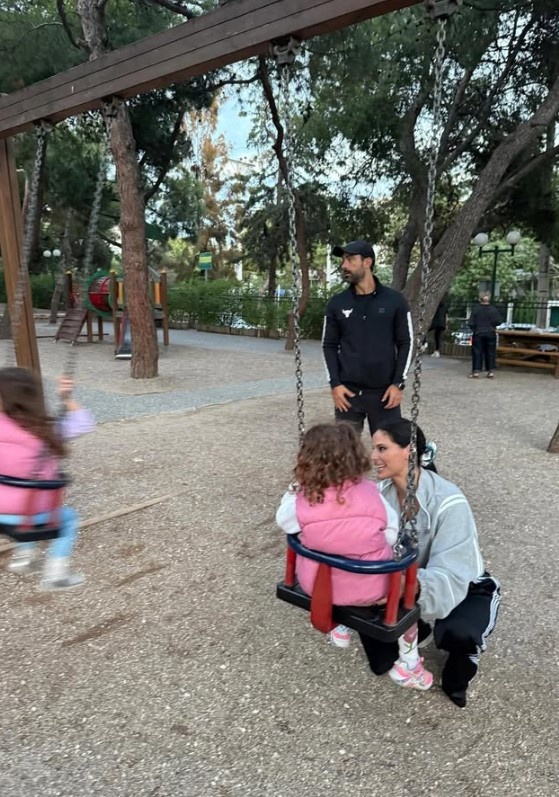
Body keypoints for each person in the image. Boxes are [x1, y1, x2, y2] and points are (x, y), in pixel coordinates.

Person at [276, 422, 433, 691]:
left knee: (326, 556)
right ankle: (408, 665)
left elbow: (284, 522)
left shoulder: (303, 499)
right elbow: (391, 534)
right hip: (371, 590)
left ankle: (341, 625)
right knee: (405, 606)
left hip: (320, 587)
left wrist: (293, 491)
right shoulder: (371, 492)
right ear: (355, 457)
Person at [367, 419, 500, 707]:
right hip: (404, 582)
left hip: (464, 583)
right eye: (373, 448)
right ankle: (419, 629)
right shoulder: (378, 494)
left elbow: (452, 571)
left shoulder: (449, 500)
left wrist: (410, 586)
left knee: (459, 634)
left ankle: (458, 675)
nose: (373, 457)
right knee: (380, 659)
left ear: (409, 451)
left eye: (382, 448)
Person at [0, 368, 95, 589]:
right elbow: (85, 423)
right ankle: (56, 576)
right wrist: (66, 397)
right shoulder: (47, 431)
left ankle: (23, 560)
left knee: (26, 507)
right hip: (31, 514)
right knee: (68, 518)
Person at [322, 241, 413, 434]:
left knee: (389, 447)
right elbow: (328, 345)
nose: (344, 265)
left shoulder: (394, 301)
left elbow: (406, 342)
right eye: (343, 260)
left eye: (350, 259)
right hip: (347, 394)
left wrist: (398, 384)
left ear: (367, 262)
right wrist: (335, 384)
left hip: (384, 394)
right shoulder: (337, 303)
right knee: (344, 449)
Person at [468, 294, 502, 378]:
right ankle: (490, 371)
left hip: (478, 332)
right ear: (489, 300)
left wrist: (475, 329)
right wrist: (492, 325)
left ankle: (476, 371)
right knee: (490, 352)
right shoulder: (493, 310)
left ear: (480, 299)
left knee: (477, 352)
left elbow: (471, 322)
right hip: (490, 332)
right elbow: (498, 321)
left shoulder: (476, 309)